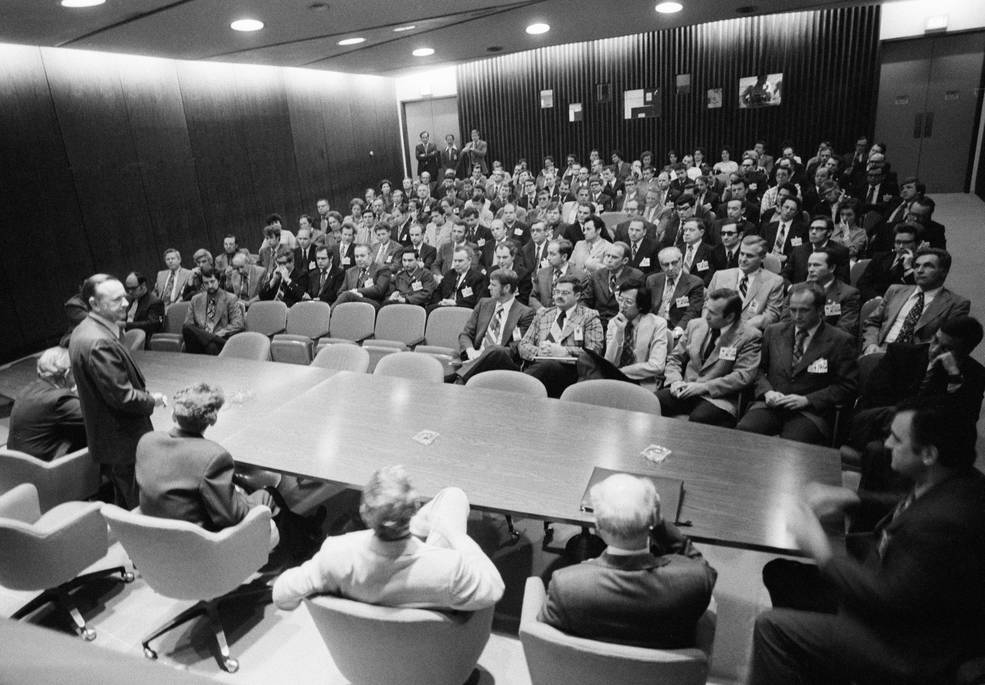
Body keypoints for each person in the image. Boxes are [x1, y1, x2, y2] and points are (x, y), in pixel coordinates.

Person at [751, 400, 985, 684]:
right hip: (896, 603)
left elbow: (885, 595)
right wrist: (853, 497)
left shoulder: (943, 522)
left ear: (928, 454)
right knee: (781, 574)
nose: (886, 444)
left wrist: (821, 550)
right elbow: (909, 504)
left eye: (897, 439)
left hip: (904, 645)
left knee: (771, 627)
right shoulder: (957, 478)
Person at [272, 465, 504, 611]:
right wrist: (456, 536)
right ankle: (423, 524)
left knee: (452, 496)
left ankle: (420, 524)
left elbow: (281, 594)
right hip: (434, 649)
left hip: (364, 655)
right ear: (414, 507)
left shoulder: (335, 555)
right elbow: (494, 587)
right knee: (454, 497)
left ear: (364, 511)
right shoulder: (450, 568)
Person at [540, 473, 717, 648]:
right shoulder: (696, 581)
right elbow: (696, 561)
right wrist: (658, 524)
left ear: (599, 528)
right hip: (663, 676)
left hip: (592, 674)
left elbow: (547, 639)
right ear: (652, 518)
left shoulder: (566, 585)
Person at [136, 383, 279, 549]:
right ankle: (290, 551)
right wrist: (247, 496)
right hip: (204, 550)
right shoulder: (213, 457)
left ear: (174, 416)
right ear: (211, 421)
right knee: (268, 495)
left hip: (157, 546)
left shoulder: (146, 441)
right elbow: (232, 516)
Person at [69, 274, 166, 508]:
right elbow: (123, 396)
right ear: (94, 304)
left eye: (124, 296)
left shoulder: (84, 330)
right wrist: (151, 400)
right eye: (116, 300)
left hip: (111, 439)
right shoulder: (98, 341)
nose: (124, 303)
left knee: (125, 499)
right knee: (139, 506)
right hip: (123, 439)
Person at [737, 283, 858, 445]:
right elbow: (758, 370)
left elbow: (847, 386)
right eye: (793, 310)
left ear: (820, 310)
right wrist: (767, 392)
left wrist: (808, 400)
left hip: (810, 412)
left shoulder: (840, 341)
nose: (797, 316)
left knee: (793, 446)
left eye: (804, 310)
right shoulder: (774, 332)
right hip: (772, 404)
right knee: (744, 431)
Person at [659, 288, 761, 427]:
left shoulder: (749, 336)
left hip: (718, 396)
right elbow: (675, 358)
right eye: (707, 309)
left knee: (700, 418)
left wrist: (704, 387)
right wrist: (675, 381)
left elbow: (743, 376)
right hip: (685, 388)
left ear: (730, 317)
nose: (706, 316)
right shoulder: (695, 325)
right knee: (652, 401)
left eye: (712, 313)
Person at [861, 248, 969, 355]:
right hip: (880, 351)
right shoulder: (895, 290)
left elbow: (946, 342)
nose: (919, 270)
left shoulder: (957, 304)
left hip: (916, 360)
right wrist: (870, 345)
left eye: (928, 266)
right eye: (916, 266)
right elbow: (872, 322)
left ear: (943, 272)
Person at [517, 275, 604, 397]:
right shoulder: (543, 314)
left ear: (577, 296)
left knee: (548, 366)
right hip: (539, 364)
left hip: (569, 370)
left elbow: (594, 351)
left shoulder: (589, 316)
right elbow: (523, 344)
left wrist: (563, 351)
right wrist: (539, 352)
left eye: (565, 293)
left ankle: (514, 392)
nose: (559, 296)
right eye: (556, 292)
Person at [454, 269, 535, 383]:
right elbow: (465, 334)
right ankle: (464, 374)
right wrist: (471, 351)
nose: (488, 288)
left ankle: (458, 379)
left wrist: (484, 355)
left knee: (496, 350)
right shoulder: (483, 304)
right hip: (475, 356)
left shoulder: (526, 313)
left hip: (503, 361)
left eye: (493, 285)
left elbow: (517, 347)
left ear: (506, 288)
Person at [578, 286, 668, 388]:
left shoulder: (658, 324)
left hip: (640, 381)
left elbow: (657, 365)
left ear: (640, 306)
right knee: (585, 360)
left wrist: (621, 372)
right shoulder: (613, 322)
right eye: (620, 300)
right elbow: (610, 361)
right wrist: (619, 331)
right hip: (613, 378)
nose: (622, 306)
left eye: (628, 302)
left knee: (592, 381)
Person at [7, 346, 86, 461]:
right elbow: (96, 420)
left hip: (18, 467)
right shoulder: (59, 400)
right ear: (67, 373)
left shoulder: (27, 390)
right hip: (48, 470)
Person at [705, 235, 784, 330]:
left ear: (762, 258)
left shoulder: (774, 282)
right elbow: (707, 306)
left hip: (750, 336)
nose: (743, 259)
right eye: (742, 254)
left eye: (749, 256)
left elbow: (771, 315)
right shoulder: (719, 276)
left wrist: (739, 328)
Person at [182, 266, 245, 355]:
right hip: (200, 341)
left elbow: (238, 324)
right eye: (206, 283)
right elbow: (188, 323)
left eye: (212, 281)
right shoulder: (195, 299)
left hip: (220, 340)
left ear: (218, 281)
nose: (210, 285)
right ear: (202, 284)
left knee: (211, 346)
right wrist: (203, 335)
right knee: (186, 328)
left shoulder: (230, 298)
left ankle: (212, 338)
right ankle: (210, 338)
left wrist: (219, 333)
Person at [645, 246, 704, 341]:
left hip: (676, 327)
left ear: (681, 261)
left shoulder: (695, 283)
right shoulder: (652, 280)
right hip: (654, 326)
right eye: (666, 264)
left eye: (674, 263)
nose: (670, 268)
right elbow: (647, 308)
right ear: (660, 265)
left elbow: (692, 312)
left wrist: (677, 331)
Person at [335, 243, 393, 309]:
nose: (359, 259)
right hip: (351, 303)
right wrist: (353, 294)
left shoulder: (382, 269)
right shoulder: (350, 271)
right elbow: (340, 293)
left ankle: (329, 316)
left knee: (347, 295)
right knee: (346, 296)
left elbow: (379, 290)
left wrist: (357, 291)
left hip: (372, 304)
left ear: (371, 255)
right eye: (356, 256)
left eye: (362, 256)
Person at [122, 271, 164, 340]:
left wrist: (125, 325)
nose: (130, 292)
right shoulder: (128, 298)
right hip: (125, 335)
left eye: (133, 288)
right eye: (128, 288)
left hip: (143, 338)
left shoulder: (155, 302)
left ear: (143, 285)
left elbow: (153, 324)